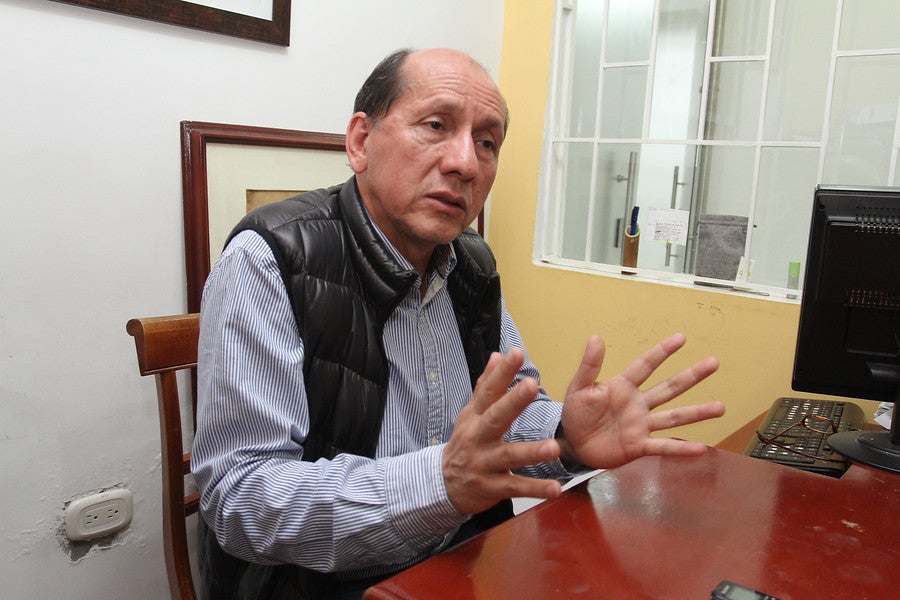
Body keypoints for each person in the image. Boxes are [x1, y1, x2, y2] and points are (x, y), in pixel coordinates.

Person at [191, 47, 724, 600]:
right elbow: (239, 496)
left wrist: (566, 436)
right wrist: (439, 483)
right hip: (321, 585)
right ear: (360, 142)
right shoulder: (270, 260)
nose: (465, 162)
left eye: (487, 142)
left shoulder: (470, 262)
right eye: (435, 125)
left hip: (466, 558)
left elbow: (505, 414)